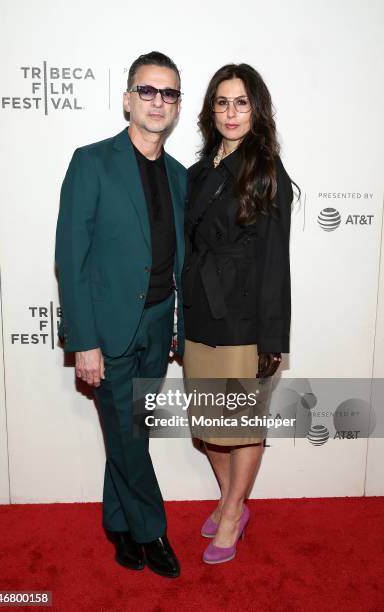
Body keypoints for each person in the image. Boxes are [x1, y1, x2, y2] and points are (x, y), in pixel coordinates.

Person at [55, 51, 186, 578]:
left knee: (132, 431)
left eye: (169, 93)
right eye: (148, 91)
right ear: (128, 99)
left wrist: (176, 326)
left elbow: (180, 260)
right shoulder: (92, 162)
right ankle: (151, 530)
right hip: (106, 332)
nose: (158, 102)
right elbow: (71, 257)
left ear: (176, 107)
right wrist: (82, 340)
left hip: (158, 325)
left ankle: (118, 521)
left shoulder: (180, 176)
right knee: (129, 437)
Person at [182, 63, 298, 564]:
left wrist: (271, 340)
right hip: (199, 314)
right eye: (222, 102)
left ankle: (231, 512)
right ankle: (234, 501)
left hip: (243, 320)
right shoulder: (197, 172)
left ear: (257, 109)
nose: (231, 112)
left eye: (241, 102)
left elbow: (275, 261)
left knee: (242, 424)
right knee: (208, 426)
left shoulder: (265, 170)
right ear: (211, 110)